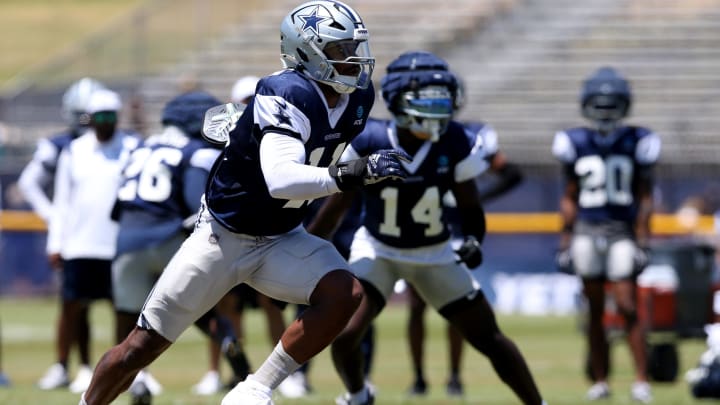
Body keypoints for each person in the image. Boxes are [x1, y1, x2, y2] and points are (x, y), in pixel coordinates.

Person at [77, 2, 409, 404]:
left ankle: (253, 389)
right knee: (139, 349)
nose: (353, 60)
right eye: (340, 50)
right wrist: (354, 172)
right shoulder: (285, 91)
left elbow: (316, 149)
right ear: (306, 52)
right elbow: (282, 180)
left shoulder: (357, 97)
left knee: (345, 293)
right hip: (223, 237)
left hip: (281, 237)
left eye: (354, 47)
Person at [307, 50, 546, 405]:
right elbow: (338, 204)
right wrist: (308, 247)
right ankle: (358, 397)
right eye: (425, 99)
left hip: (435, 252)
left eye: (440, 98)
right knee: (345, 333)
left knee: (488, 338)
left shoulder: (456, 140)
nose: (436, 109)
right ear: (398, 100)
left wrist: (473, 241)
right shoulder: (370, 139)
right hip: (378, 250)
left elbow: (470, 207)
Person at [112, 90, 255, 403]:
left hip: (128, 241)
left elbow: (118, 205)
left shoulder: (139, 145)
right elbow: (196, 208)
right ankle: (235, 355)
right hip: (169, 239)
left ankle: (132, 382)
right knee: (205, 313)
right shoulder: (196, 152)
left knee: (127, 321)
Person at [552, 66, 660, 403]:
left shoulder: (638, 140)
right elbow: (570, 196)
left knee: (628, 306)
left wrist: (643, 240)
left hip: (621, 231)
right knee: (594, 311)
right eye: (600, 104)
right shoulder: (575, 141)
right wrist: (566, 241)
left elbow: (645, 196)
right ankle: (600, 380)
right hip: (586, 229)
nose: (606, 111)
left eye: (611, 104)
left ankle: (642, 380)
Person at [405, 118, 523, 396]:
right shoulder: (408, 131)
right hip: (419, 231)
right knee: (417, 306)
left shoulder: (466, 136)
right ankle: (420, 377)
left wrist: (478, 198)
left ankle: (454, 376)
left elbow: (511, 172)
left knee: (454, 306)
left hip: (453, 232)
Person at [192, 76, 289, 397]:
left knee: (271, 303)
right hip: (233, 232)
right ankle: (217, 372)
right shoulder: (222, 147)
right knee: (225, 305)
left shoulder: (280, 140)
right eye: (246, 103)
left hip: (267, 232)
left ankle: (282, 376)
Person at [45, 88, 141, 395]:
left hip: (118, 244)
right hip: (80, 244)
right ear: (89, 119)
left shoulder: (132, 147)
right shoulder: (73, 151)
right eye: (99, 117)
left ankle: (127, 370)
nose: (104, 123)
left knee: (124, 310)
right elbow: (62, 202)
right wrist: (55, 242)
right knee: (73, 309)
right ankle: (73, 367)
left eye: (110, 117)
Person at [18, 78, 107, 391]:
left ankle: (119, 370)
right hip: (75, 235)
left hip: (106, 234)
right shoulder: (61, 145)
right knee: (72, 304)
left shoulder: (116, 143)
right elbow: (29, 182)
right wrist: (53, 214)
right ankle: (68, 365)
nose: (86, 121)